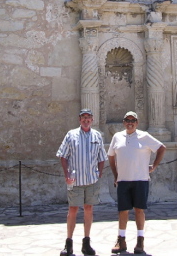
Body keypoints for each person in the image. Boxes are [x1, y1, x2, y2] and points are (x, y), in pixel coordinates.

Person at [108, 111, 166, 254]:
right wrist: (116, 174)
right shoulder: (117, 137)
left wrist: (154, 166)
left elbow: (161, 148)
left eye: (133, 120)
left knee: (139, 210)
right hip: (123, 180)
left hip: (141, 179)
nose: (130, 122)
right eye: (127, 120)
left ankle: (140, 240)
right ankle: (121, 240)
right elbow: (111, 156)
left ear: (137, 123)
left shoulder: (144, 136)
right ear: (123, 122)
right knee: (123, 211)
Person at [56, 109, 107, 256]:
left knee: (89, 209)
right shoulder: (71, 135)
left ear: (92, 119)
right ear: (79, 119)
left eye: (88, 118)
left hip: (91, 179)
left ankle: (86, 242)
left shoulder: (97, 136)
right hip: (75, 179)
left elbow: (101, 157)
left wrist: (99, 173)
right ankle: (69, 243)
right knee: (73, 210)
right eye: (83, 117)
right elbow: (63, 156)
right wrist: (66, 174)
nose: (86, 120)